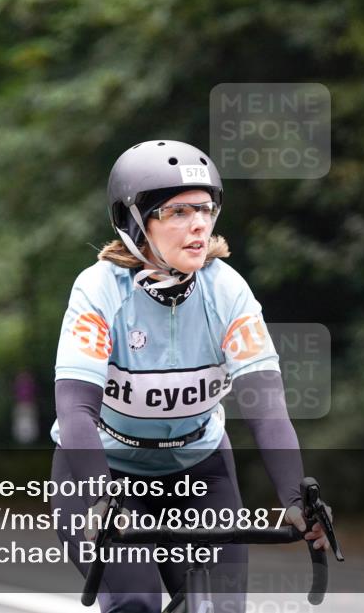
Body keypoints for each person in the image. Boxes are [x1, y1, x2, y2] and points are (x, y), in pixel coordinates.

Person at [49, 140, 328, 613]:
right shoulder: (98, 291)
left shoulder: (227, 290)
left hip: (199, 473)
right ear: (136, 221)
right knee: (135, 601)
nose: (198, 224)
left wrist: (294, 496)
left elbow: (267, 408)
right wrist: (100, 497)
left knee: (221, 608)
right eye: (177, 212)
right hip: (106, 474)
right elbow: (75, 411)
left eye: (205, 208)